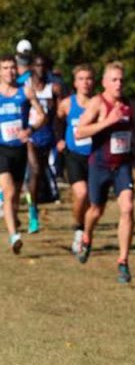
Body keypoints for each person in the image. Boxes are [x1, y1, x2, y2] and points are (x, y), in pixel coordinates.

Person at [75, 61, 135, 282]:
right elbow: (79, 132)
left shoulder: (129, 104)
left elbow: (134, 130)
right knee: (96, 210)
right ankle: (87, 236)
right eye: (114, 80)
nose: (118, 84)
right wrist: (106, 122)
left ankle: (123, 261)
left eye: (121, 79)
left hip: (122, 166)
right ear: (104, 82)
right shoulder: (97, 103)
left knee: (128, 208)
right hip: (100, 165)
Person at [0, 54, 46, 253]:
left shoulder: (25, 92)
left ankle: (13, 219)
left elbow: (42, 115)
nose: (9, 71)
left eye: (12, 67)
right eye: (5, 68)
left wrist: (30, 130)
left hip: (19, 150)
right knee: (9, 191)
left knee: (16, 194)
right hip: (1, 149)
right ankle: (14, 237)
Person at [55, 64, 95, 255]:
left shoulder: (99, 102)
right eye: (81, 79)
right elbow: (57, 121)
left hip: (96, 156)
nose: (85, 83)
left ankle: (87, 233)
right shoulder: (67, 104)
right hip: (74, 155)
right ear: (75, 82)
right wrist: (60, 138)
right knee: (80, 194)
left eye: (88, 78)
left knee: (92, 201)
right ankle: (79, 229)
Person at [23, 53, 63, 233]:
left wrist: (60, 135)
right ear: (31, 67)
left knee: (43, 173)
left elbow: (61, 114)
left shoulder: (53, 89)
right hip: (30, 135)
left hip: (48, 137)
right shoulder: (25, 88)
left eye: (43, 66)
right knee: (35, 170)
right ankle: (33, 214)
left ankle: (34, 202)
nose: (40, 69)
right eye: (37, 66)